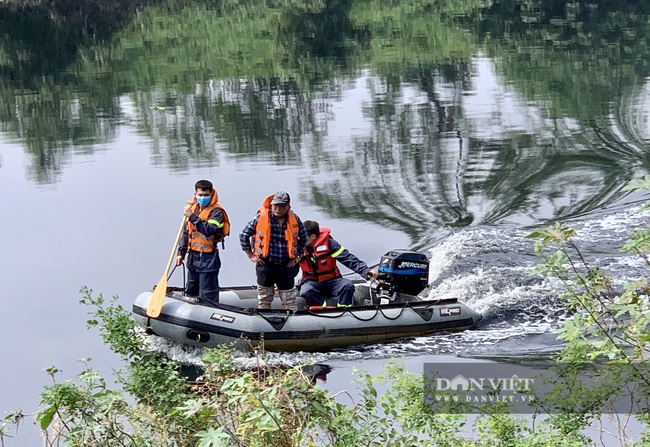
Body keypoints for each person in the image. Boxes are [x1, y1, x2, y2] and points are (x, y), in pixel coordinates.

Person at [239, 191, 307, 311]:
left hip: (286, 265)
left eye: (281, 206)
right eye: (275, 205)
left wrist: (298, 256)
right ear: (271, 205)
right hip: (265, 264)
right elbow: (244, 234)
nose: (278, 208)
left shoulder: (294, 219)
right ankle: (265, 319)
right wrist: (250, 255)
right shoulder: (261, 218)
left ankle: (291, 321)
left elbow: (304, 238)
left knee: (289, 300)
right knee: (264, 299)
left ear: (287, 206)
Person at [175, 179, 230, 306]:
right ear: (195, 194)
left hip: (208, 258)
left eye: (206, 195)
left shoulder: (216, 212)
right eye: (200, 195)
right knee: (191, 289)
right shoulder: (192, 209)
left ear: (211, 194)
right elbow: (185, 233)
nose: (203, 197)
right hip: (193, 257)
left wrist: (192, 217)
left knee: (208, 292)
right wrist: (180, 253)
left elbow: (209, 229)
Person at [298, 220, 375, 307]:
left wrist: (366, 271)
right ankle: (323, 307)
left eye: (304, 237)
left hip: (333, 280)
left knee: (348, 286)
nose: (301, 239)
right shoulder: (297, 248)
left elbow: (349, 259)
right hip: (311, 281)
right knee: (305, 291)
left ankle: (343, 309)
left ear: (312, 236)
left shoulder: (330, 244)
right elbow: (288, 265)